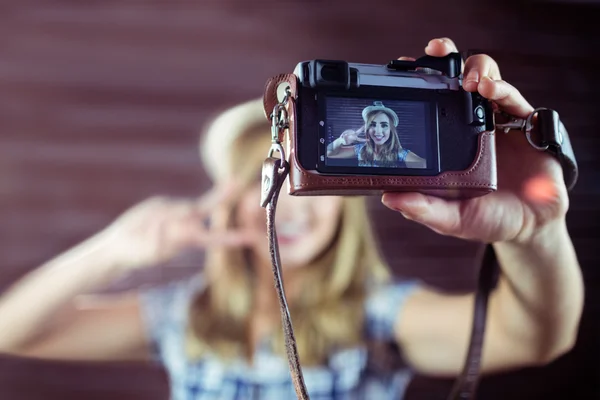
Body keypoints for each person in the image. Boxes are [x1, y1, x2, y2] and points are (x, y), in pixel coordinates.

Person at [0, 38, 584, 400]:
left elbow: (536, 338)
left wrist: (538, 235)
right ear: (235, 197)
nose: (292, 210)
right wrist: (115, 248)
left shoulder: (378, 319)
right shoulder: (184, 317)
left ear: (342, 192)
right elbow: (11, 332)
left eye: (308, 181)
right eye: (273, 179)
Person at [326, 101, 426, 168]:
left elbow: (424, 165)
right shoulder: (360, 150)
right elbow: (328, 153)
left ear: (391, 129)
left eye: (384, 125)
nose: (378, 132)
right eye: (373, 125)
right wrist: (341, 141)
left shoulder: (399, 153)